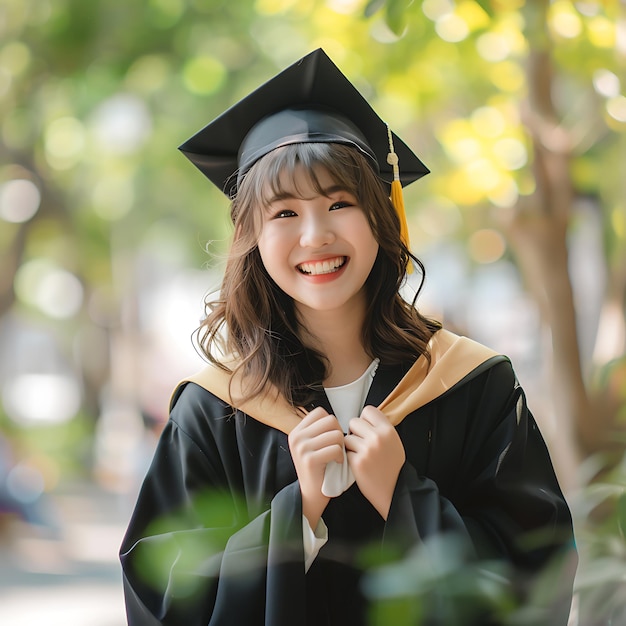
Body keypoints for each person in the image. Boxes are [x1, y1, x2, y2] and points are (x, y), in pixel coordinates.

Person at [119, 49, 576, 625]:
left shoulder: (472, 385)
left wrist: (402, 497)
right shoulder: (215, 409)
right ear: (252, 237)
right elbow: (162, 595)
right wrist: (299, 514)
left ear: (382, 218)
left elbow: (539, 575)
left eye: (340, 203)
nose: (315, 235)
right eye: (284, 213)